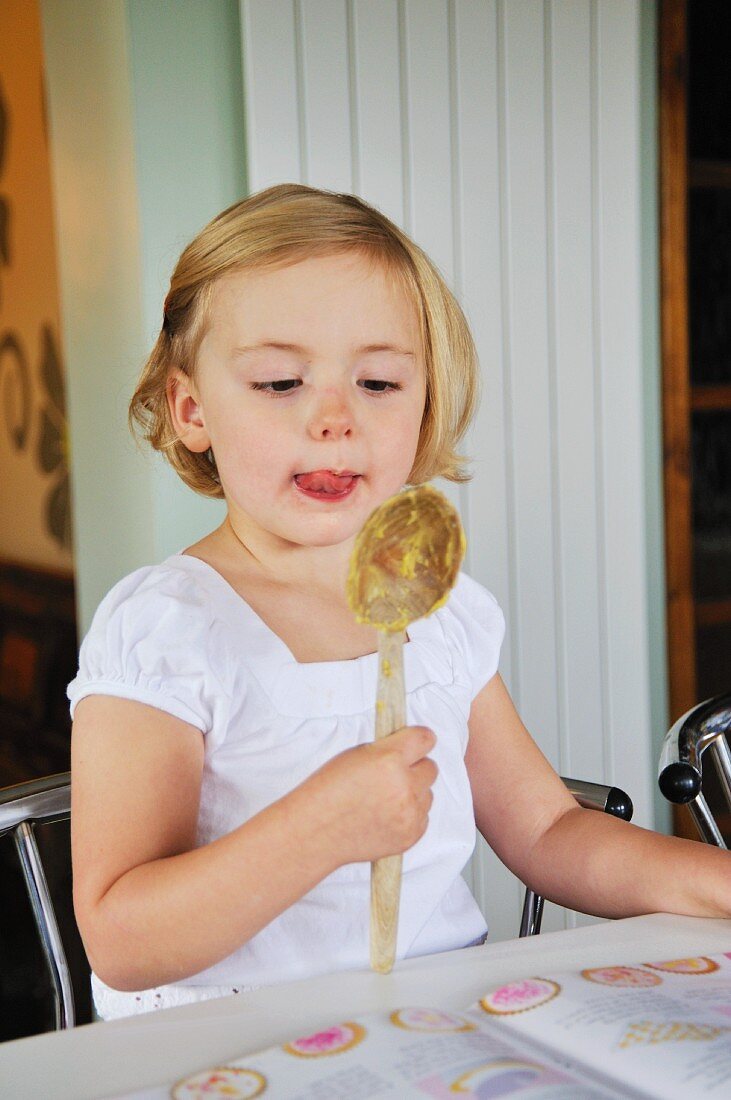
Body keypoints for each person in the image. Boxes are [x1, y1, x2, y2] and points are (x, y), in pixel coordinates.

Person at [69, 183, 731, 1021]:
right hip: (227, 1055)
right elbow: (123, 942)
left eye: (378, 383)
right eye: (279, 381)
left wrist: (717, 885)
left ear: (423, 412)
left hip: (427, 1029)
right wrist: (318, 830)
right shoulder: (167, 629)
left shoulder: (439, 613)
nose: (334, 417)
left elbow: (547, 834)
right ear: (191, 409)